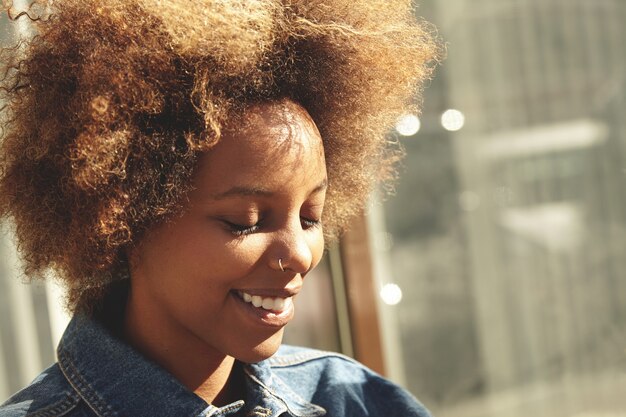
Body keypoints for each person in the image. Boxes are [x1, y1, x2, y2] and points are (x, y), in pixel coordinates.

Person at [0, 0, 440, 415]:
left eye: (310, 217)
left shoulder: (355, 400)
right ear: (124, 218)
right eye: (244, 222)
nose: (301, 255)